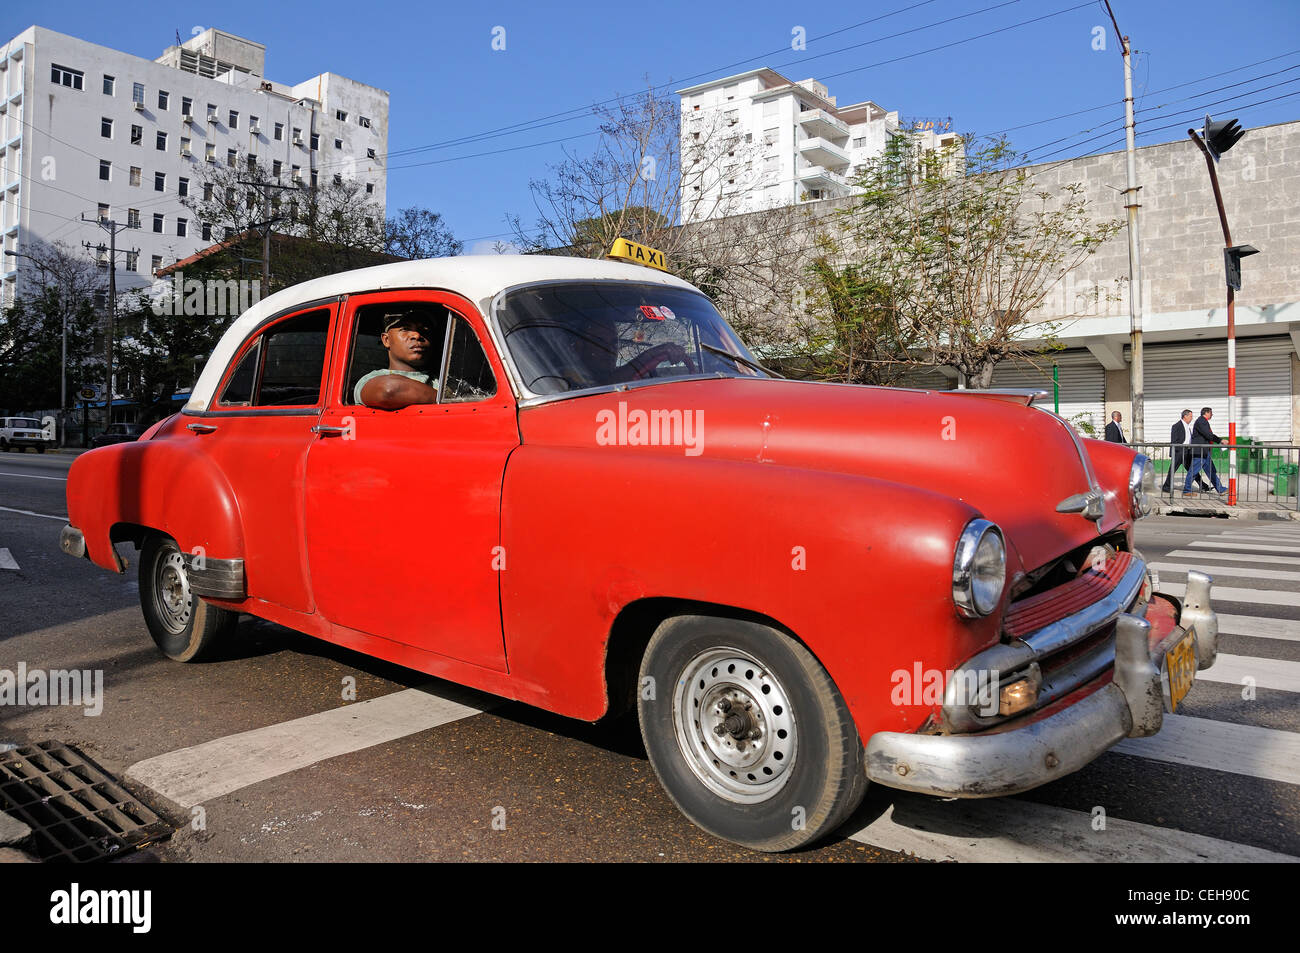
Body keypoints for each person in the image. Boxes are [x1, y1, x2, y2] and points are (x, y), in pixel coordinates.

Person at [355, 312, 440, 408]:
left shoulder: (442, 381)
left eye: (424, 330)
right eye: (405, 329)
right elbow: (389, 389)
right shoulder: (371, 379)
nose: (417, 335)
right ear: (386, 340)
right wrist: (445, 398)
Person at [1162, 409, 1211, 493]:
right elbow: (1174, 440)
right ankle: (1166, 487)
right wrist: (1178, 451)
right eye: (1191, 416)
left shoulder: (1187, 427)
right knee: (1173, 470)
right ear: (1185, 416)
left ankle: (1203, 486)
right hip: (1179, 452)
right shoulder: (1176, 426)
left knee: (1192, 470)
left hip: (1187, 452)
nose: (1192, 418)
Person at [1183, 406, 1228, 496]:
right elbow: (1208, 435)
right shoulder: (1201, 421)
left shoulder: (1203, 422)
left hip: (1204, 452)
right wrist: (1220, 440)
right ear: (1206, 413)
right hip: (1200, 452)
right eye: (1211, 413)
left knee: (1212, 471)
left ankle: (1221, 489)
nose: (1212, 415)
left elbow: (1208, 435)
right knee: (1193, 471)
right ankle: (1187, 490)